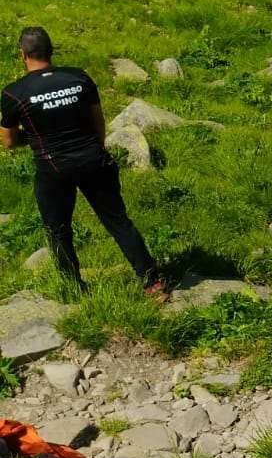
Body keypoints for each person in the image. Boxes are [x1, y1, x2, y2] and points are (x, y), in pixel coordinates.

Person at [0, 28, 165, 297]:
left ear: (22, 54)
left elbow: (6, 141)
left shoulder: (14, 93)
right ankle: (153, 283)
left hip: (53, 169)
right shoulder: (78, 77)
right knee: (118, 221)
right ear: (51, 50)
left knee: (58, 229)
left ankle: (74, 288)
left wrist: (32, 136)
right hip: (93, 159)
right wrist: (95, 149)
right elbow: (97, 121)